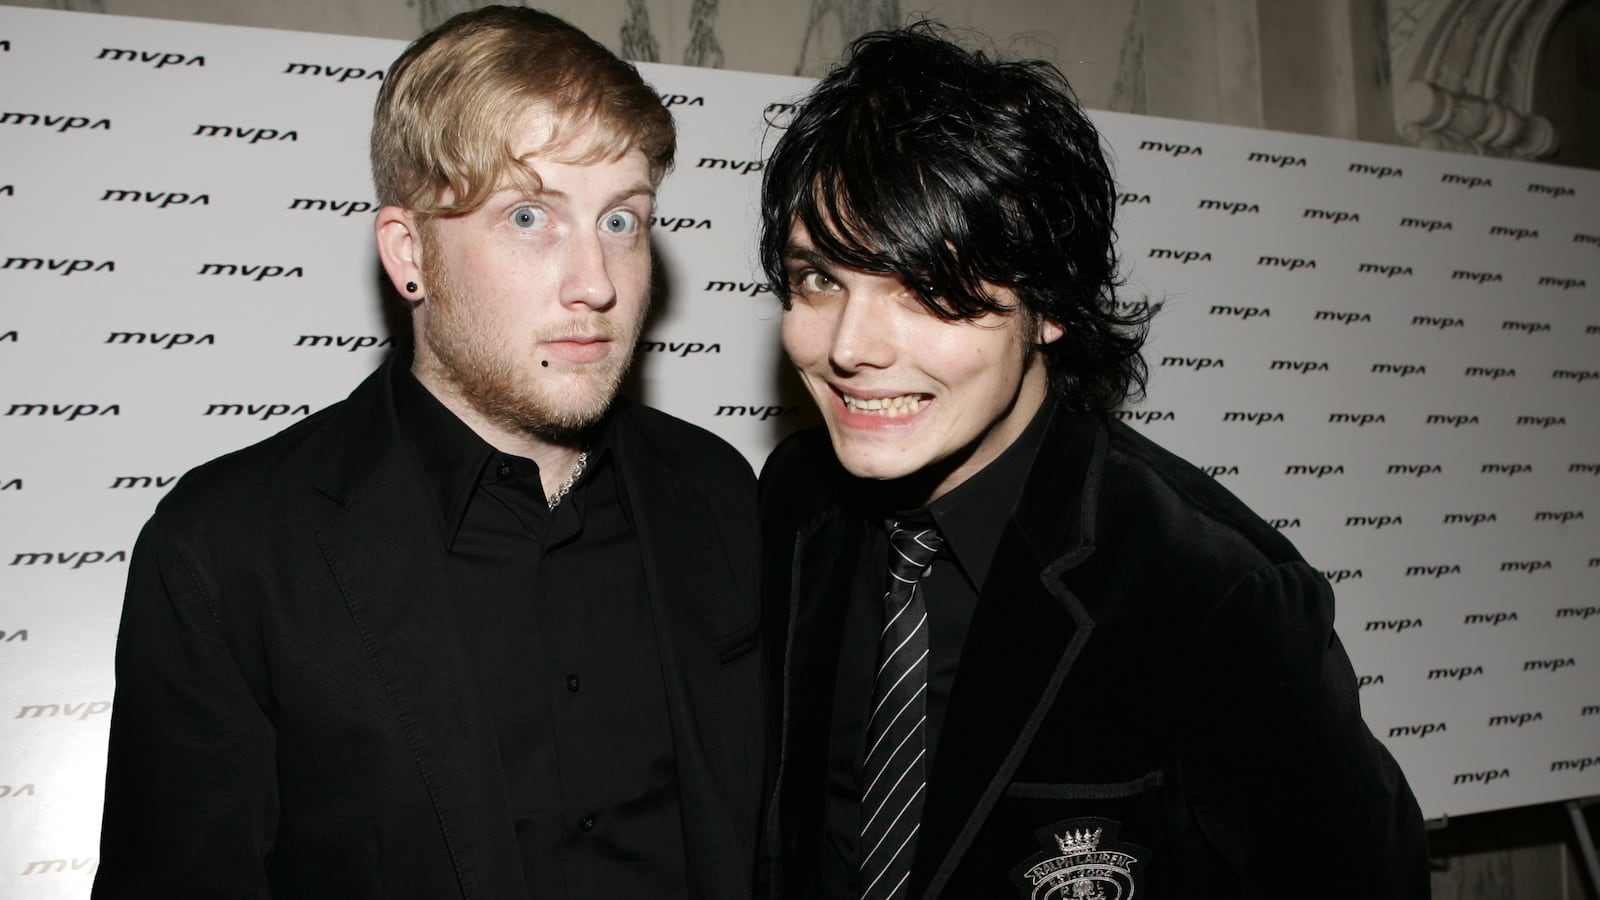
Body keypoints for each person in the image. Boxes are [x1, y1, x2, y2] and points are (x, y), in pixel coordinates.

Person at [93, 8, 762, 898]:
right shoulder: (228, 547)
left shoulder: (719, 492)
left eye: (623, 221)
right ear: (409, 253)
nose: (597, 282)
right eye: (530, 215)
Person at [755, 24, 1429, 900]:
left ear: (1050, 305)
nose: (849, 348)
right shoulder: (794, 501)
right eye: (820, 281)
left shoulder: (1213, 593)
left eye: (926, 289)